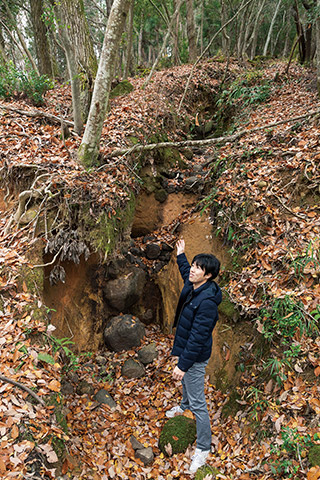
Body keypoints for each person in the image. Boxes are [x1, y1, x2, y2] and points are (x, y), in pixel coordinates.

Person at [166, 238, 222, 474]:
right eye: (194, 265)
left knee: (199, 403)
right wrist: (181, 255)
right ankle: (182, 405)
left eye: (199, 268)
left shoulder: (207, 302)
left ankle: (202, 449)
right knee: (187, 386)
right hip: (188, 349)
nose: (193, 270)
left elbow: (198, 338)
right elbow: (184, 271)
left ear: (208, 276)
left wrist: (183, 365)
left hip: (196, 356)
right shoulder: (195, 284)